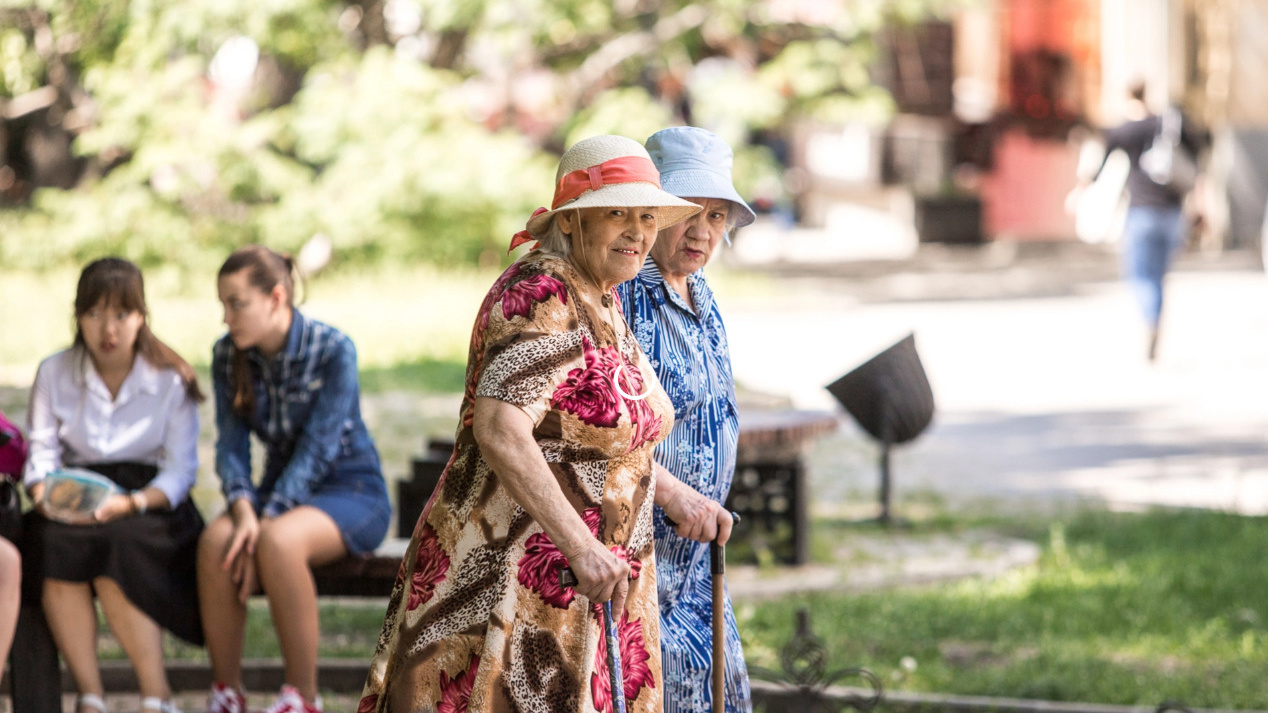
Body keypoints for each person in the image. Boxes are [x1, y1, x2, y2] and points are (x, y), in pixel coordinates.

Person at [359, 135, 723, 713]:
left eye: (648, 215)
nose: (637, 231)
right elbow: (501, 428)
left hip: (586, 583)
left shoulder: (602, 293)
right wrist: (580, 545)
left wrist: (678, 499)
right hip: (513, 578)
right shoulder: (541, 292)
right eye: (617, 213)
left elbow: (601, 440)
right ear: (574, 222)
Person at [200, 245, 391, 713]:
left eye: (236, 303)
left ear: (276, 298)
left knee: (279, 543)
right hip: (276, 494)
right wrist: (245, 513)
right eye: (223, 304)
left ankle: (302, 698)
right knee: (214, 541)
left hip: (351, 489)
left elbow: (319, 450)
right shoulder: (228, 355)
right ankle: (227, 693)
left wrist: (263, 523)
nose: (227, 317)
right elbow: (229, 447)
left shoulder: (333, 349)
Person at [23, 257, 205, 713]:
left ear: (141, 316)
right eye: (94, 313)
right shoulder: (54, 372)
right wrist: (45, 497)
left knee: (116, 546)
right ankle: (91, 695)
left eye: (122, 314)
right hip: (72, 492)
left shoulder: (171, 378)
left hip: (147, 499)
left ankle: (155, 694)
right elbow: (41, 455)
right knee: (53, 543)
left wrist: (131, 503)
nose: (109, 328)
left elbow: (181, 471)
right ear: (78, 316)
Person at [616, 127, 752, 713]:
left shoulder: (703, 293)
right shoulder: (624, 295)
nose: (703, 231)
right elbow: (605, 430)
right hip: (642, 555)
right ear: (652, 213)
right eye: (689, 212)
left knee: (725, 689)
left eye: (717, 216)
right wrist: (674, 496)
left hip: (697, 559)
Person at [1072, 80, 1203, 361]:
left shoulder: (1124, 130)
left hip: (1142, 213)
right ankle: (1155, 321)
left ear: (1127, 97)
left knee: (1141, 276)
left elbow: (1099, 166)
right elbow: (1198, 158)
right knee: (1158, 276)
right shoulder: (1170, 124)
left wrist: (1080, 190)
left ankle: (1150, 321)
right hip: (1172, 214)